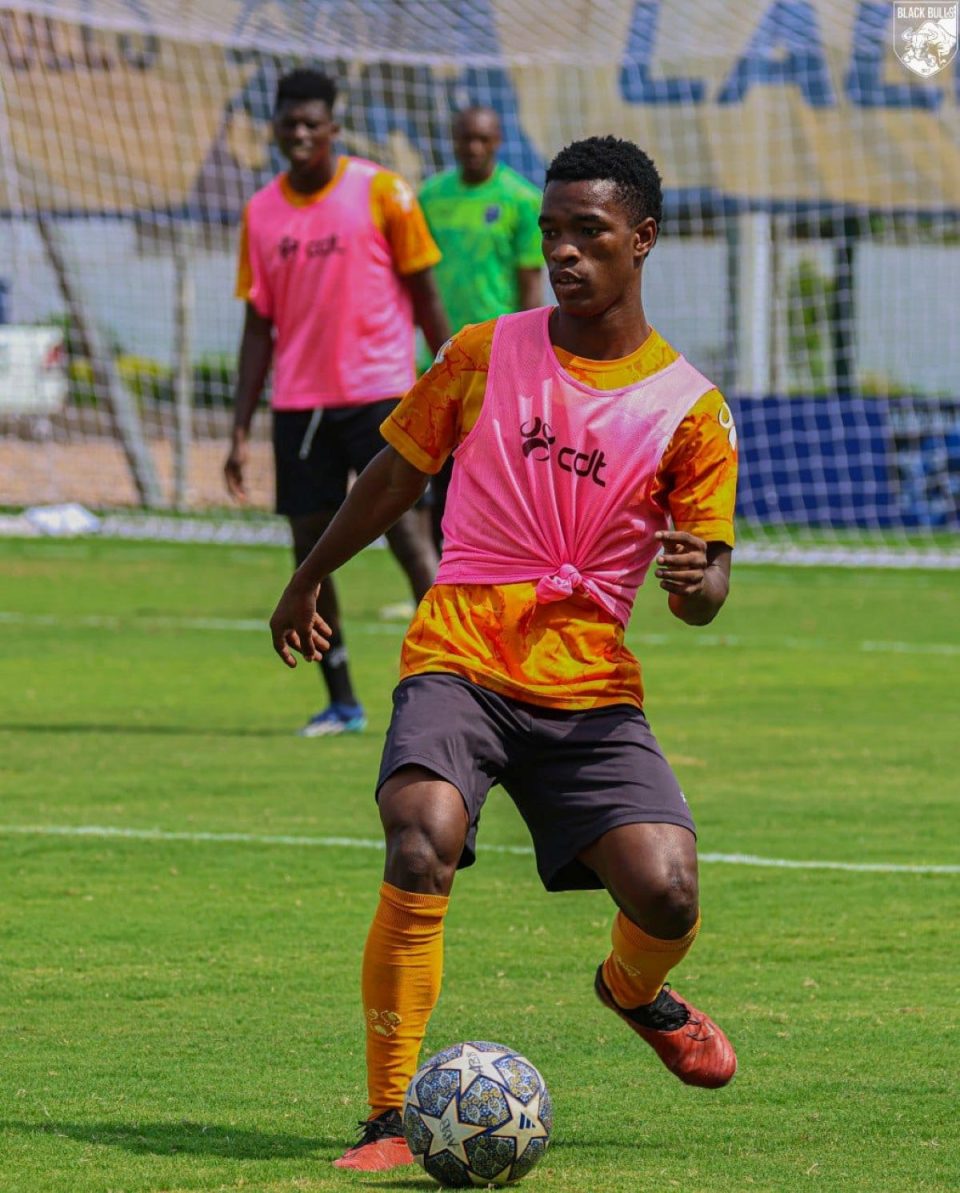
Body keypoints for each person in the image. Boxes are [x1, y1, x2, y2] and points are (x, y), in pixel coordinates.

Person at [269, 135, 740, 1173]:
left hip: (588, 679)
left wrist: (690, 579)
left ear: (642, 240)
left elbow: (706, 590)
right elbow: (395, 475)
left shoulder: (692, 410)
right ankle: (387, 1117)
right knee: (419, 835)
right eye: (551, 231)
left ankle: (632, 988)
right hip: (462, 651)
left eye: (589, 233)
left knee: (668, 892)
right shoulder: (483, 352)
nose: (563, 251)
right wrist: (308, 574)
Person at [225, 68, 449, 736]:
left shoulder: (384, 191)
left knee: (409, 538)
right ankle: (343, 701)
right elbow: (257, 328)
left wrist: (455, 388)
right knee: (310, 551)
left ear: (333, 127)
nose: (299, 133)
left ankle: (456, 680)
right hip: (300, 406)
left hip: (382, 394)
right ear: (275, 128)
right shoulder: (260, 212)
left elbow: (426, 298)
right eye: (288, 122)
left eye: (311, 123)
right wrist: (239, 428)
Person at [419, 106, 544, 550]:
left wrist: (528, 358)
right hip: (439, 357)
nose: (473, 147)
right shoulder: (430, 197)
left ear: (498, 142)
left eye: (482, 139)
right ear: (453, 140)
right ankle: (443, 574)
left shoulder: (522, 199)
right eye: (465, 138)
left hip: (497, 359)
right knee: (439, 475)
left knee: (494, 475)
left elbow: (530, 284)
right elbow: (418, 278)